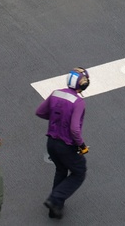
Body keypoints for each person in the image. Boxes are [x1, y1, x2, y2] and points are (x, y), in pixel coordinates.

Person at [36, 68, 90, 219]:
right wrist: (82, 145)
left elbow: (40, 112)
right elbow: (74, 129)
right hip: (66, 146)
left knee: (61, 170)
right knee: (79, 172)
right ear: (83, 84)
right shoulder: (78, 102)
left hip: (51, 143)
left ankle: (55, 208)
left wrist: (56, 120)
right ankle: (55, 198)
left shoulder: (55, 93)